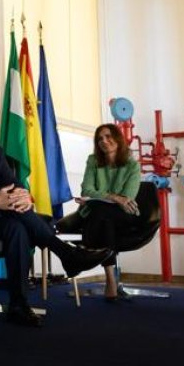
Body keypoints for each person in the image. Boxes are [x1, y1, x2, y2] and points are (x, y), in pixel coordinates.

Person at [0, 101, 112, 327]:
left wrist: (23, 195)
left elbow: (13, 183)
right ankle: (67, 254)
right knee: (20, 218)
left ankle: (18, 305)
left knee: (17, 226)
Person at [69, 123, 143, 301]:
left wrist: (101, 197)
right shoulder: (93, 160)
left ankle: (85, 252)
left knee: (100, 210)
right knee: (103, 216)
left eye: (108, 136)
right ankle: (111, 280)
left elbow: (127, 197)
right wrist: (114, 197)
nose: (104, 141)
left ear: (118, 139)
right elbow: (87, 190)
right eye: (100, 139)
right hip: (101, 213)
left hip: (124, 213)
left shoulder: (132, 166)